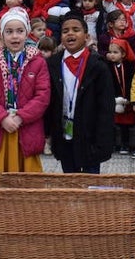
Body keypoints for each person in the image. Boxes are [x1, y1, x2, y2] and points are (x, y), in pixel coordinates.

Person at [0, 8, 51, 223]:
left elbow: (42, 96)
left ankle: (29, 219)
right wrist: (2, 117)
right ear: (2, 34)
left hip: (25, 128)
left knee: (27, 174)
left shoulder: (38, 62)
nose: (15, 36)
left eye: (19, 31)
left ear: (27, 33)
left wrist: (20, 117)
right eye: (9, 31)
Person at [46, 12, 116, 174]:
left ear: (86, 36)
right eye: (65, 31)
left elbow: (106, 106)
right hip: (63, 133)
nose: (70, 33)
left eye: (76, 30)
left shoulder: (97, 65)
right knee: (70, 180)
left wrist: (103, 139)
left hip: (89, 135)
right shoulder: (53, 64)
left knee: (90, 184)